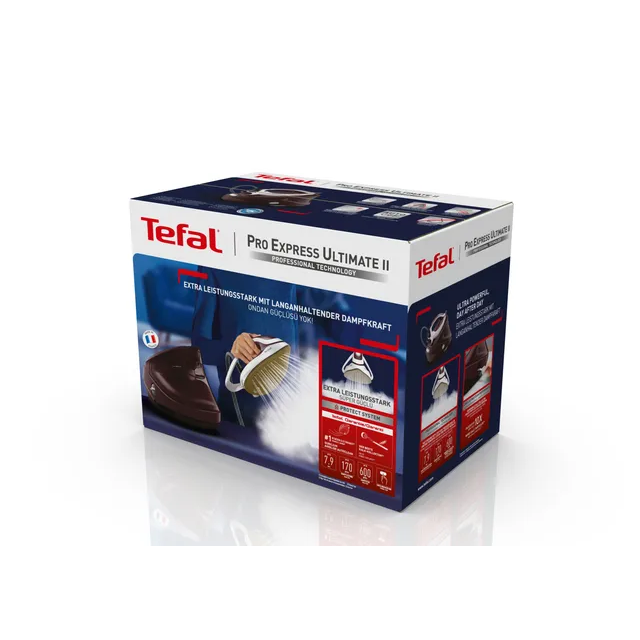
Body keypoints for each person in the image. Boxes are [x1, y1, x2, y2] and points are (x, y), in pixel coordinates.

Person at [191, 267, 298, 426]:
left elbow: (293, 343)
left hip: (285, 413)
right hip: (239, 414)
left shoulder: (287, 276)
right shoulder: (214, 269)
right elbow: (198, 347)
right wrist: (232, 347)